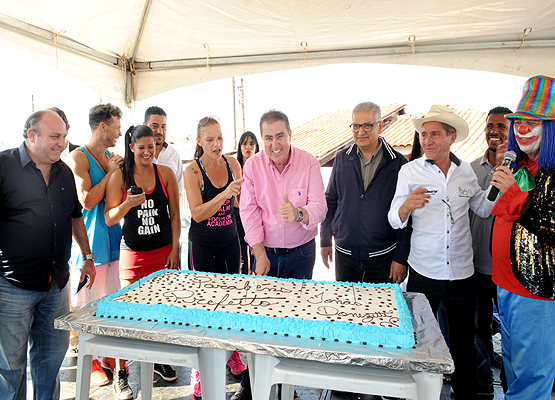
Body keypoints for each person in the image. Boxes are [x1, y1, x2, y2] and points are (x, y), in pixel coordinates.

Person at [388, 104, 509, 400]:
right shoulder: (409, 171)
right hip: (424, 272)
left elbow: (481, 208)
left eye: (435, 135)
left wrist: (498, 189)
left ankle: (465, 394)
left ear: (451, 138)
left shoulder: (465, 172)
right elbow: (393, 217)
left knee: (464, 344)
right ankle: (419, 394)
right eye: (424, 134)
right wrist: (406, 207)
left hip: (461, 274)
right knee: (421, 342)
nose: (427, 140)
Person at [0, 110, 96, 400]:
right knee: (9, 370)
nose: (62, 143)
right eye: (55, 136)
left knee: (50, 364)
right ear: (32, 135)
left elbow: (75, 217)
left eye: (64, 136)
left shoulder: (64, 171)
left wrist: (88, 257)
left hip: (56, 287)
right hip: (13, 287)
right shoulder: (4, 166)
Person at [233, 110, 327, 400]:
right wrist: (259, 253)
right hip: (266, 255)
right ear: (263, 139)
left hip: (301, 254)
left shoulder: (309, 162)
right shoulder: (253, 166)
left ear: (290, 135)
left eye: (280, 136)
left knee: (294, 324)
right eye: (268, 138)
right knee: (258, 321)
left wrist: (299, 213)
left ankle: (289, 388)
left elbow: (320, 208)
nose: (275, 144)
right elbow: (248, 212)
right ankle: (250, 387)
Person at [490, 75, 555, 400]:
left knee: (532, 378)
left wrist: (514, 195)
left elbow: (551, 223)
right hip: (506, 285)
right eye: (518, 122)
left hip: (535, 292)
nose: (521, 129)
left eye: (533, 122)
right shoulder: (523, 166)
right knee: (513, 370)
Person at [105, 125, 180, 398]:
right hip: (133, 255)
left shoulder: (166, 174)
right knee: (127, 318)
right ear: (132, 148)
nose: (147, 152)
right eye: (142, 148)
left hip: (163, 253)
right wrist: (128, 203)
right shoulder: (119, 177)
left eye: (152, 146)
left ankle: (157, 359)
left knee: (160, 315)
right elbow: (110, 217)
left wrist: (175, 249)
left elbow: (174, 215)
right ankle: (120, 373)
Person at [65, 103, 126, 389]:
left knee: (111, 309)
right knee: (87, 312)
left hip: (114, 243)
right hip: (90, 247)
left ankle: (108, 361)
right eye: (116, 126)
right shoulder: (78, 157)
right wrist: (111, 170)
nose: (119, 132)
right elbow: (86, 200)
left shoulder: (111, 157)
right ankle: (89, 364)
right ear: (102, 126)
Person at [184, 116, 244, 397]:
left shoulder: (233, 163)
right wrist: (224, 195)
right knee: (205, 306)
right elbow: (197, 213)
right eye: (210, 139)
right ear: (199, 141)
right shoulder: (192, 171)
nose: (217, 144)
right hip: (203, 244)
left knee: (232, 302)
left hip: (230, 241)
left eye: (220, 138)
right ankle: (199, 369)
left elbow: (242, 203)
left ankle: (232, 352)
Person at [320, 101, 410, 285]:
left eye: (367, 126)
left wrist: (401, 258)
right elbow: (331, 201)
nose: (361, 132)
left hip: (383, 258)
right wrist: (325, 239)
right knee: (346, 309)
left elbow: (406, 216)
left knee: (383, 312)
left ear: (380, 125)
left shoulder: (398, 164)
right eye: (356, 126)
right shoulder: (341, 159)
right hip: (345, 255)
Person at [469, 106, 512, 399]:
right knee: (478, 330)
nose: (494, 131)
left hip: (510, 271)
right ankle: (483, 387)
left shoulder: (520, 172)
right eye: (489, 126)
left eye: (501, 127)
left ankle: (513, 387)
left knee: (512, 334)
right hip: (476, 265)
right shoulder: (470, 169)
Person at [144, 106, 184, 199]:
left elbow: (179, 191)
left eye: (163, 127)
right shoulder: (136, 155)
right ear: (145, 126)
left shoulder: (174, 155)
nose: (160, 131)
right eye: (155, 126)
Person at [235, 131, 259, 274]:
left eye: (251, 143)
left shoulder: (262, 167)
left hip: (256, 217)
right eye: (244, 143)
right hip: (238, 217)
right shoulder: (233, 167)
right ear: (240, 147)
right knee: (241, 257)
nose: (248, 147)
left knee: (256, 255)